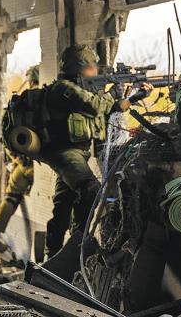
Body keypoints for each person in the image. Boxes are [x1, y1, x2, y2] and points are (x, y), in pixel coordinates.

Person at [42, 44, 151, 259]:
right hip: (65, 152)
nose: (95, 71)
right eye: (92, 67)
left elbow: (105, 109)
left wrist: (126, 96)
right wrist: (119, 96)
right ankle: (79, 245)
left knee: (63, 204)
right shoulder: (64, 89)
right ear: (79, 67)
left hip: (76, 153)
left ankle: (52, 255)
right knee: (90, 188)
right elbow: (94, 106)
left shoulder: (78, 88)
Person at [0, 65, 40, 251]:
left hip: (22, 164)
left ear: (29, 80)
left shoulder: (17, 104)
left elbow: (6, 137)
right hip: (43, 165)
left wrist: (18, 160)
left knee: (11, 197)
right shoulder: (47, 101)